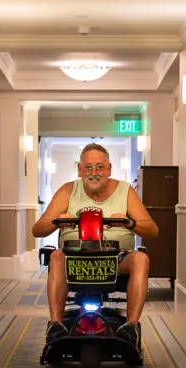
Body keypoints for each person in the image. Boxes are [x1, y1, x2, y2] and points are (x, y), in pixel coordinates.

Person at [32, 143, 159, 346]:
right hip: (73, 259)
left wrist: (130, 223)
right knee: (56, 256)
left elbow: (152, 230)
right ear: (80, 170)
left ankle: (131, 327)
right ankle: (55, 324)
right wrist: (57, 221)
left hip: (116, 258)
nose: (94, 173)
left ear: (109, 168)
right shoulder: (68, 190)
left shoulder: (125, 191)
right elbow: (37, 230)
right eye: (88, 167)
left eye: (99, 167)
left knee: (141, 259)